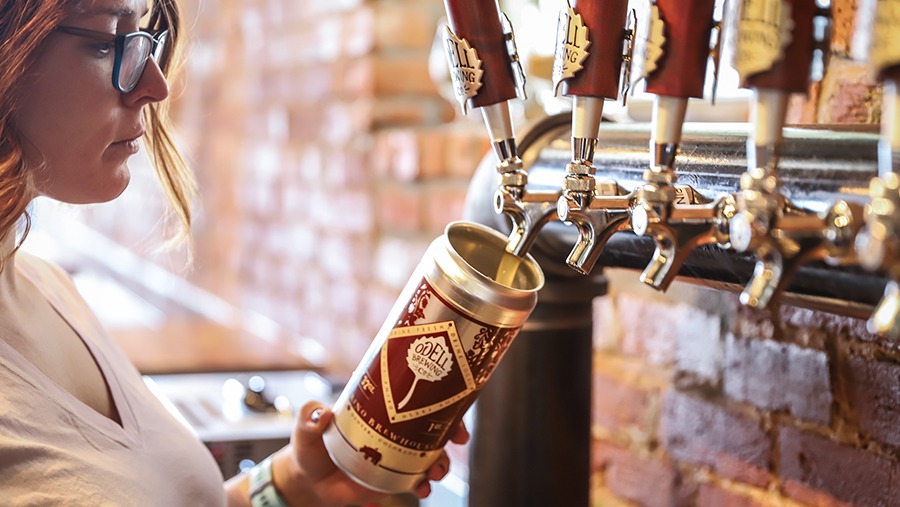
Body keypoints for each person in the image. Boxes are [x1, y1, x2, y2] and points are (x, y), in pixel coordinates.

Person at [0, 0, 468, 505]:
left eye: (138, 39)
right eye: (105, 41)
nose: (155, 85)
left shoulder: (48, 287)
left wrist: (294, 485)